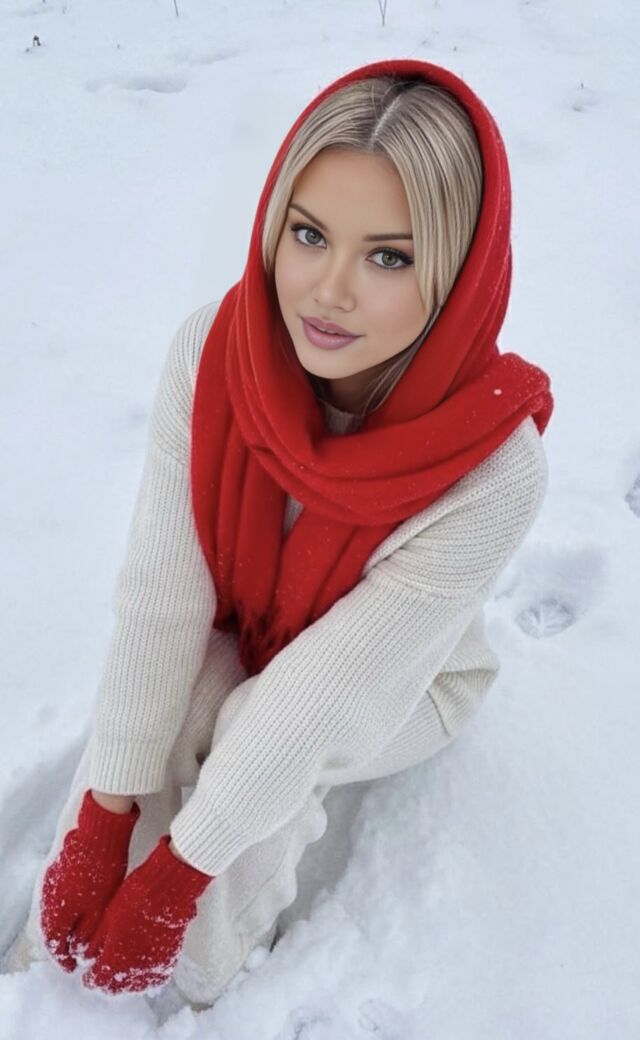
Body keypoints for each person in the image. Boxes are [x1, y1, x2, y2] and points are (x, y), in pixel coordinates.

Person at [6, 57, 554, 1008]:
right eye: (309, 235)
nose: (328, 291)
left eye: (390, 257)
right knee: (171, 709)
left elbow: (318, 699)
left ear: (459, 270)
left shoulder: (493, 468)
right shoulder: (213, 354)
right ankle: (36, 977)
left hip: (403, 685)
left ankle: (201, 988)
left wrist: (175, 877)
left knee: (254, 740)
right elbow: (162, 595)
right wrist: (104, 817)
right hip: (248, 619)